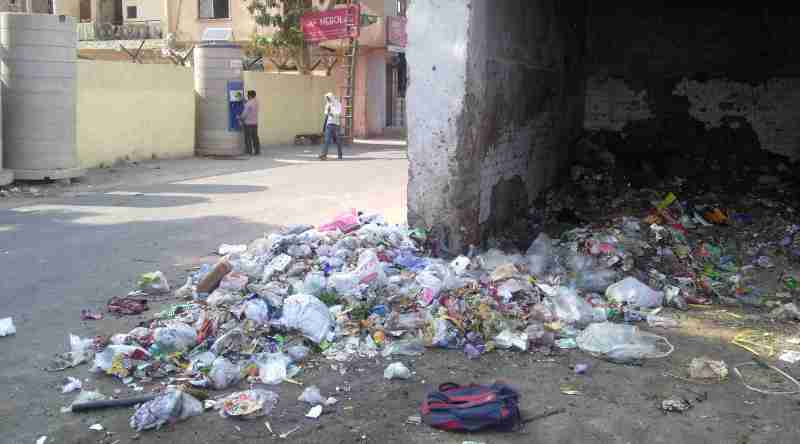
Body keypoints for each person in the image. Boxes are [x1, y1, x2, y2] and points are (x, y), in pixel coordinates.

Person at [320, 92, 343, 160]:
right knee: (327, 140)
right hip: (329, 124)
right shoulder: (328, 104)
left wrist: (331, 113)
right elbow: (325, 112)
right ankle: (323, 155)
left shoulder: (338, 104)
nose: (328, 100)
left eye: (328, 98)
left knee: (338, 141)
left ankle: (340, 155)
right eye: (327, 98)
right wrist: (328, 112)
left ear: (331, 97)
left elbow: (338, 112)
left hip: (336, 124)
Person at [239, 90, 260, 156]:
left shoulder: (248, 104)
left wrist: (239, 117)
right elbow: (250, 105)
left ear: (250, 96)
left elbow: (244, 115)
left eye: (248, 95)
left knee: (248, 138)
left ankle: (249, 151)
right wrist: (245, 101)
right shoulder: (256, 102)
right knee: (255, 137)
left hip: (248, 124)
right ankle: (257, 151)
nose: (247, 96)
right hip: (255, 123)